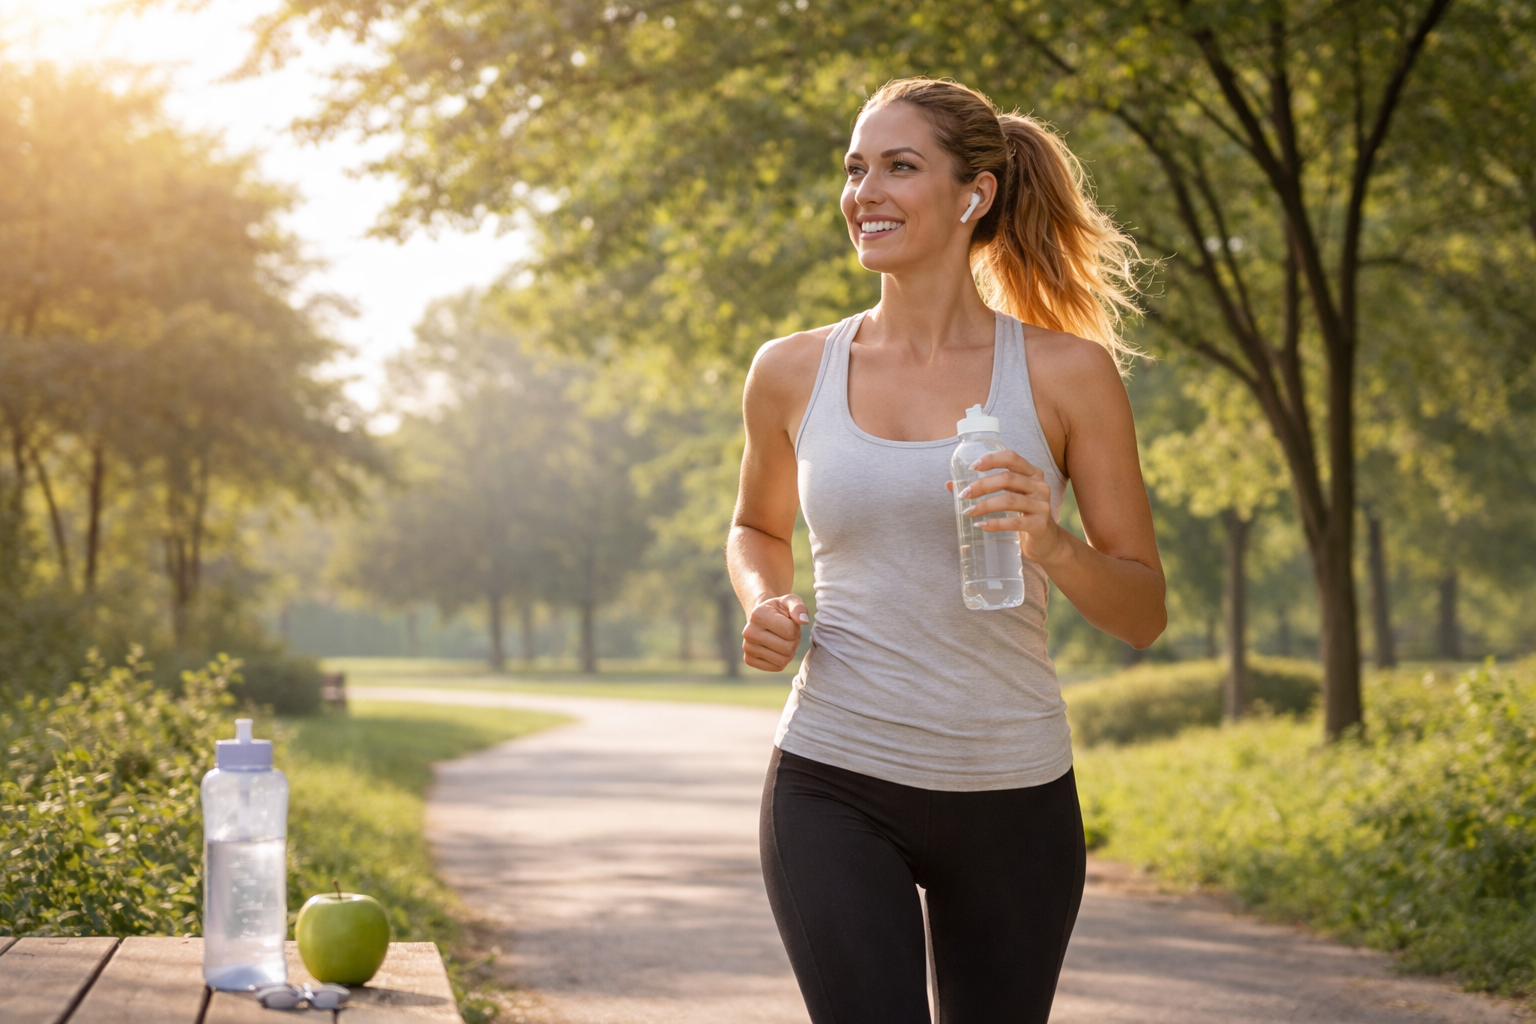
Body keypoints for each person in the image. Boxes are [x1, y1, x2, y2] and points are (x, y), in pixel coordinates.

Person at [727, 78, 1167, 1024]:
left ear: (975, 195)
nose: (863, 192)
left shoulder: (1066, 373)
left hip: (1014, 791)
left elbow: (1141, 611)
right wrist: (764, 598)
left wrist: (1051, 541)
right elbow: (755, 527)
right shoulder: (791, 370)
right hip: (834, 775)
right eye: (854, 169)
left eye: (898, 166)